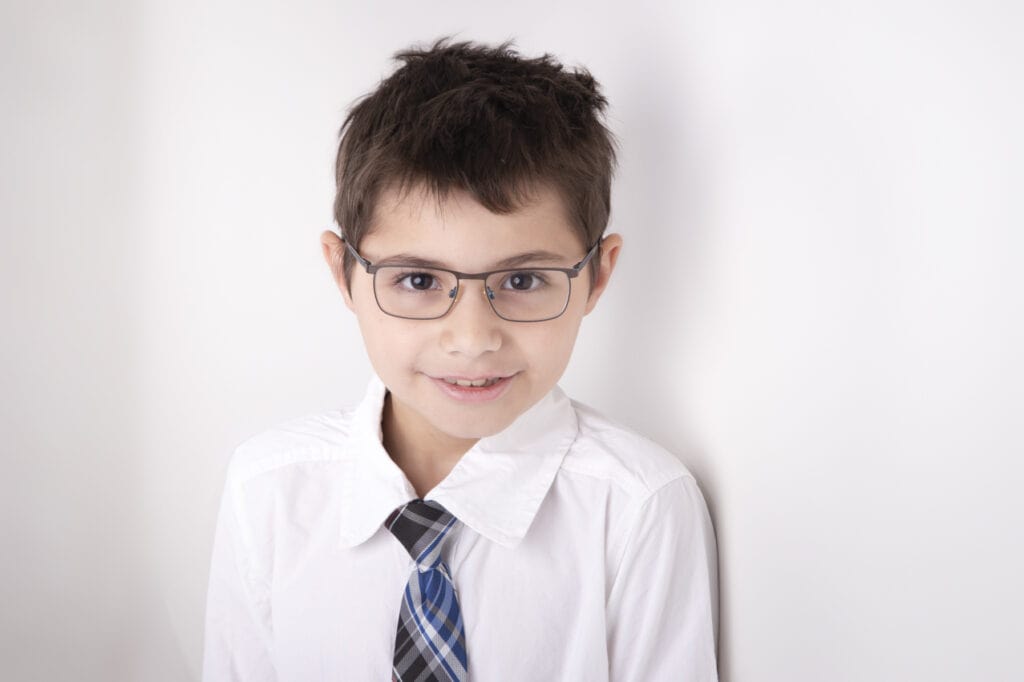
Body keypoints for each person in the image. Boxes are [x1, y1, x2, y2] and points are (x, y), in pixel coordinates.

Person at [202, 38, 718, 681]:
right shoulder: (269, 489)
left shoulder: (638, 507)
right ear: (344, 274)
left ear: (597, 276)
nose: (472, 338)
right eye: (417, 281)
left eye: (524, 281)